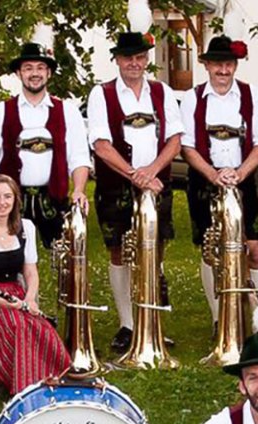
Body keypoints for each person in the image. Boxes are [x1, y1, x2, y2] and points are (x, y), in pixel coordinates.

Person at [87, 9, 185, 353]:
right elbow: (100, 145)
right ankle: (128, 324)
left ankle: (152, 319)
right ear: (118, 61)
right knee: (119, 251)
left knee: (153, 251)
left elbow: (175, 139)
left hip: (157, 182)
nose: (134, 63)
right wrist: (134, 175)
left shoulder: (162, 91)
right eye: (128, 58)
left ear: (147, 60)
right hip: (117, 185)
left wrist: (151, 172)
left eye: (140, 57)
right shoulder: (101, 94)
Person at [181, 35, 258, 320]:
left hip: (242, 180)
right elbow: (187, 146)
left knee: (255, 249)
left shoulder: (251, 95)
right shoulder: (192, 97)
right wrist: (212, 174)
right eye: (217, 65)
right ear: (206, 66)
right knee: (211, 252)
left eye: (229, 64)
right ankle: (218, 319)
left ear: (235, 66)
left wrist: (240, 172)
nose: (223, 71)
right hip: (203, 182)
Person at [0, 25, 93, 247]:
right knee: (10, 260)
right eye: (28, 67)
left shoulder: (67, 111)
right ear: (19, 73)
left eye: (41, 68)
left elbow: (79, 158)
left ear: (49, 73)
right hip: (11, 200)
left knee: (63, 261)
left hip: (55, 200)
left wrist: (78, 190)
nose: (35, 73)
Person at [0, 175, 70, 394]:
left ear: (15, 200)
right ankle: (26, 383)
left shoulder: (25, 227)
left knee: (42, 328)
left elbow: (30, 271)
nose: (2, 202)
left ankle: (55, 379)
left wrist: (29, 298)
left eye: (7, 197)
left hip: (17, 294)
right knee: (17, 326)